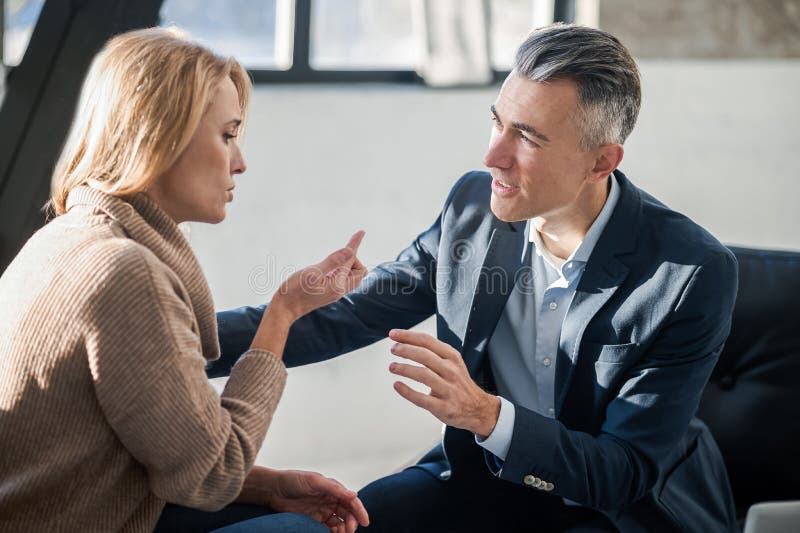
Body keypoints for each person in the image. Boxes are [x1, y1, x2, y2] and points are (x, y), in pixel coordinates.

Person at [216, 23, 740, 532]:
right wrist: (172, 339)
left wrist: (487, 415)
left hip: (615, 508)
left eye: (528, 138)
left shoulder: (691, 273)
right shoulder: (474, 207)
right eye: (498, 123)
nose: (493, 156)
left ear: (601, 161)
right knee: (351, 520)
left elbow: (621, 471)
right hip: (487, 480)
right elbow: (348, 316)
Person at [0, 28, 370, 533]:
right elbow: (214, 475)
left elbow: (155, 451)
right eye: (227, 135)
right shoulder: (126, 274)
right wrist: (283, 311)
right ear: (159, 135)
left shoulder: (62, 239)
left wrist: (268, 487)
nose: (240, 162)